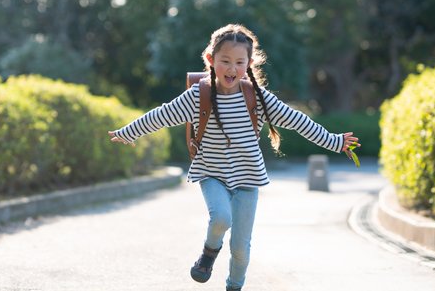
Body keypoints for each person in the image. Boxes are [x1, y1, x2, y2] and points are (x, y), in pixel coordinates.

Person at [107, 23, 360, 291]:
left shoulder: (258, 98)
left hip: (247, 180)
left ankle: (234, 286)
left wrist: (334, 141)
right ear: (210, 60)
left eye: (239, 62)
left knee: (240, 248)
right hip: (212, 174)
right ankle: (209, 252)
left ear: (249, 63)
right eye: (225, 61)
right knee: (221, 219)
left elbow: (297, 120)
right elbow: (162, 114)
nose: (232, 69)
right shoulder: (198, 96)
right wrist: (129, 132)